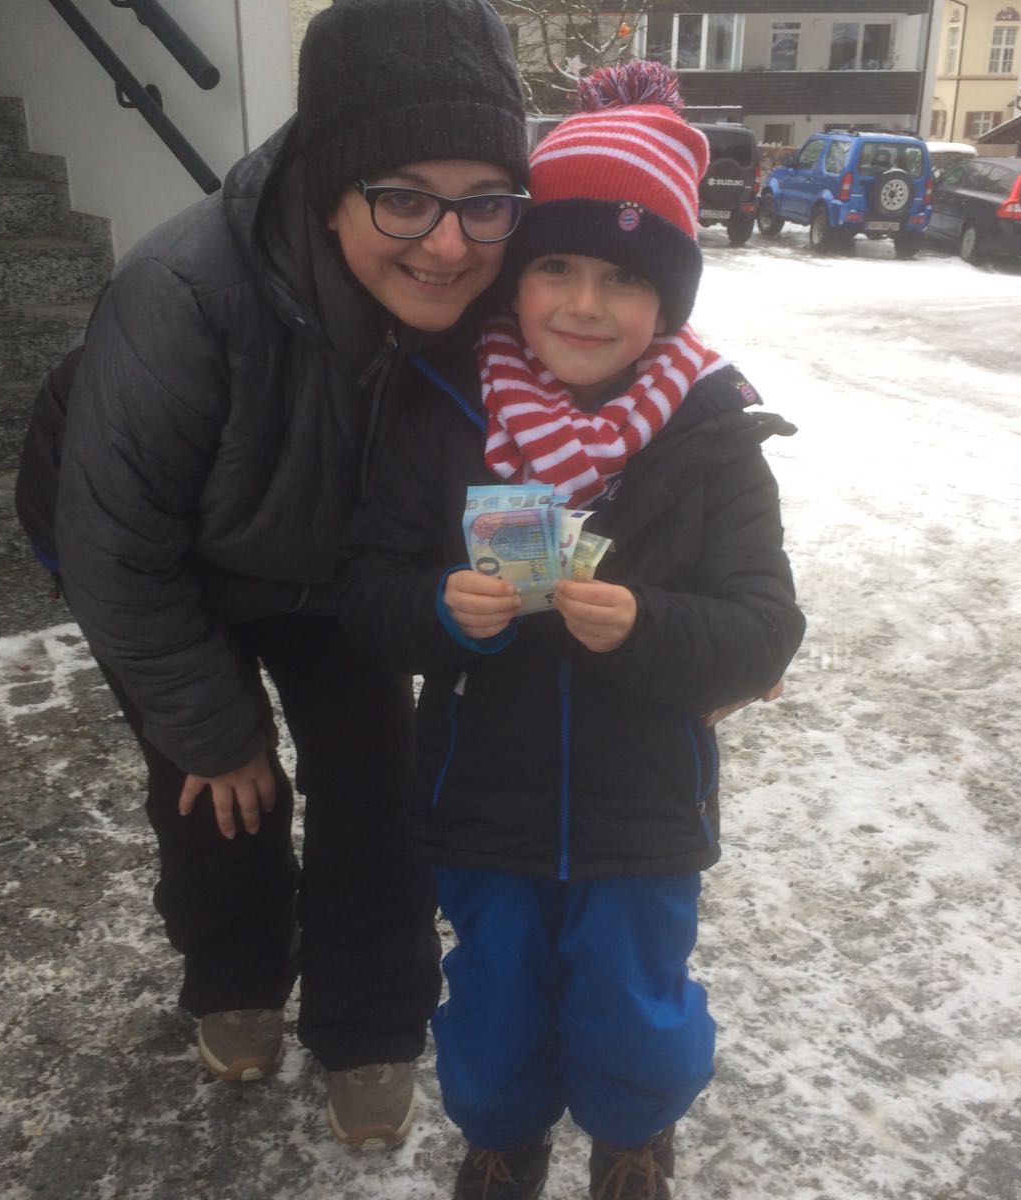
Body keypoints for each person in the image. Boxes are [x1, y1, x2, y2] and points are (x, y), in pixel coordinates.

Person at [12, 0, 529, 1150]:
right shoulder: (183, 294)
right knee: (219, 779)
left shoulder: (498, 285)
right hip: (163, 562)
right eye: (404, 198)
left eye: (485, 200)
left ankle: (371, 1019)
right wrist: (212, 729)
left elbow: (624, 385)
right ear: (329, 188)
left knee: (376, 779)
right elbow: (116, 550)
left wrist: (698, 580)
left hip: (340, 568)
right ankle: (235, 970)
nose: (450, 244)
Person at [337, 62, 807, 1199]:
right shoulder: (443, 411)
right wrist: (441, 608)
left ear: (668, 304)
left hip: (643, 806)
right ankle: (501, 1137)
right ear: (517, 276)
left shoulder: (713, 440)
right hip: (479, 800)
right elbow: (367, 589)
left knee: (634, 997)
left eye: (624, 279)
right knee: (493, 993)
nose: (585, 306)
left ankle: (634, 1132)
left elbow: (763, 627)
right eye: (555, 266)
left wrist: (648, 625)